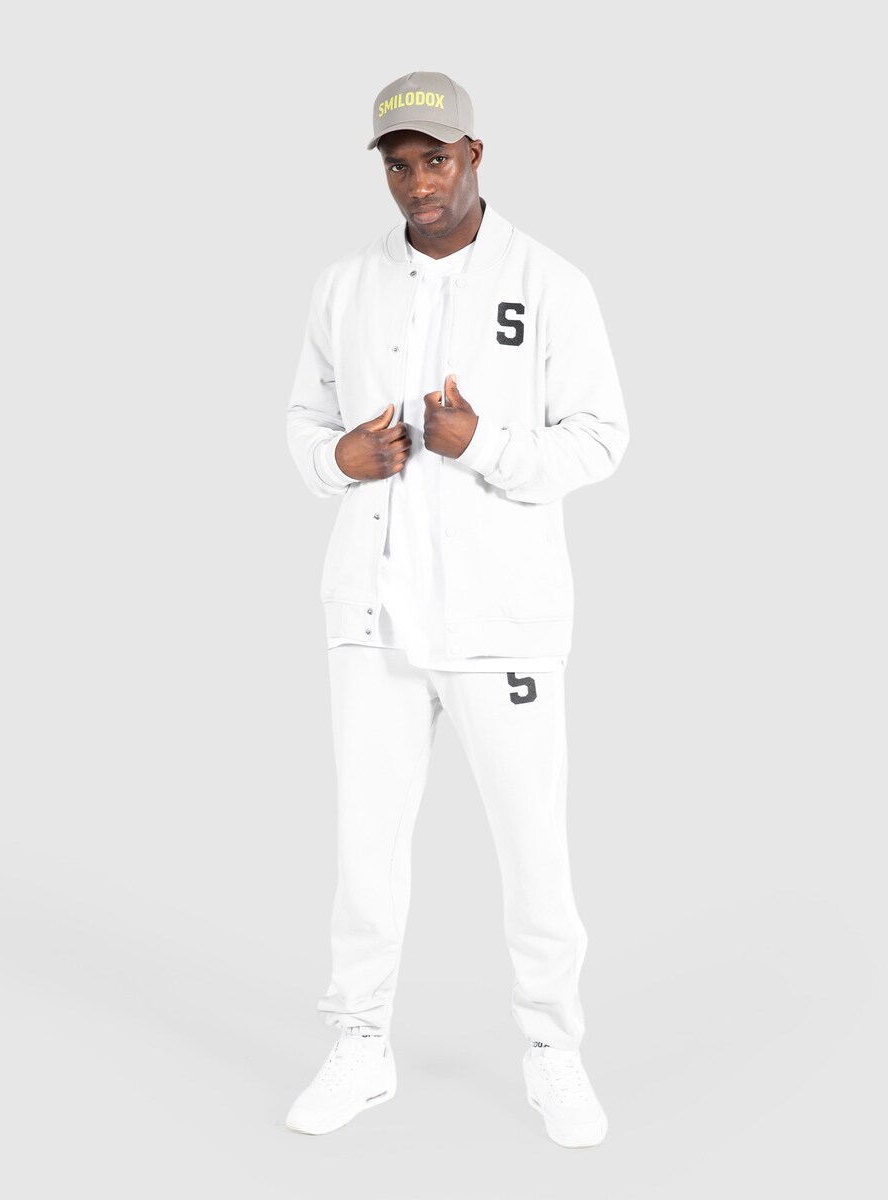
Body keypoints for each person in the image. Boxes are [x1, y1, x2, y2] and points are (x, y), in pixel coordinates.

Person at [283, 70, 629, 1149]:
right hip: (374, 614)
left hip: (499, 618)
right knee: (366, 848)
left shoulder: (550, 283)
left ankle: (553, 1050)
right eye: (399, 164)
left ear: (475, 155)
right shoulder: (345, 285)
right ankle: (359, 1042)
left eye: (436, 159)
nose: (418, 182)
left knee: (532, 845)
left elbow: (601, 438)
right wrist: (337, 461)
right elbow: (305, 421)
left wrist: (486, 445)